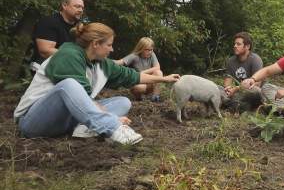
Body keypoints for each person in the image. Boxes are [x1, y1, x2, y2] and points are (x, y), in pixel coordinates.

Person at [14, 23, 180, 145]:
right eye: (109, 45)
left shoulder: (101, 63)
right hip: (33, 122)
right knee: (70, 84)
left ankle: (83, 129)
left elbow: (133, 76)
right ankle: (111, 127)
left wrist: (164, 79)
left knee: (123, 101)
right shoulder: (68, 54)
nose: (112, 50)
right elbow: (79, 92)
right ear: (95, 44)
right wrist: (110, 118)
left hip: (65, 122)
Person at [30, 0, 84, 72]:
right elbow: (45, 51)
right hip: (43, 69)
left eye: (82, 8)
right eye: (77, 6)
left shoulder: (79, 26)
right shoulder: (49, 22)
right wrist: (77, 57)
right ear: (64, 6)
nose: (81, 10)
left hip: (68, 68)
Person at [222, 32, 264, 111]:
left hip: (253, 92)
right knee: (218, 89)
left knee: (256, 91)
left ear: (247, 46)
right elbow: (228, 78)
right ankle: (237, 105)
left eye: (238, 44)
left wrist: (236, 89)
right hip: (238, 92)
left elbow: (257, 84)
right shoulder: (231, 61)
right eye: (235, 44)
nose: (235, 46)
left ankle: (233, 104)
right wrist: (228, 88)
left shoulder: (255, 59)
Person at [115, 37, 163, 102]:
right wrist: (105, 61)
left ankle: (156, 97)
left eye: (151, 50)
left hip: (150, 81)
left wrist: (142, 72)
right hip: (140, 82)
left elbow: (157, 67)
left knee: (158, 72)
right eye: (147, 50)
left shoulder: (152, 54)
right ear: (141, 49)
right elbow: (120, 62)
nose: (150, 52)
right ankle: (139, 98)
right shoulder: (134, 56)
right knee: (137, 88)